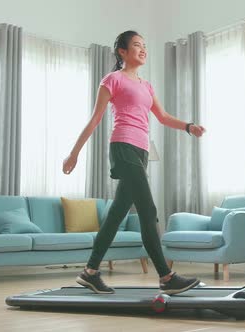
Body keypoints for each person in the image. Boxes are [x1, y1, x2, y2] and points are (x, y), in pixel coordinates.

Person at [62, 30, 206, 295]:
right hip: (123, 146)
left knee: (117, 213)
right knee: (148, 210)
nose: (143, 50)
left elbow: (162, 117)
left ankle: (90, 272)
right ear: (122, 52)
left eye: (144, 46)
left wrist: (188, 126)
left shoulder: (147, 85)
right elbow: (95, 119)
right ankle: (166, 276)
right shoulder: (112, 79)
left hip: (141, 152)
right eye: (137, 45)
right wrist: (74, 153)